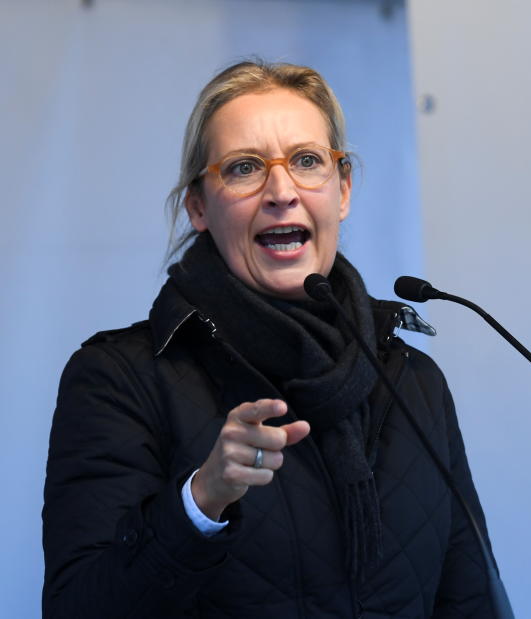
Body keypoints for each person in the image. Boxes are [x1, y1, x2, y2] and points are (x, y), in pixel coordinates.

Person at [43, 60, 501, 618]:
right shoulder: (120, 379)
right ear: (198, 208)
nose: (281, 190)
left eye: (308, 161)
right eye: (243, 168)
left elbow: (469, 599)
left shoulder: (413, 381)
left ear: (343, 189)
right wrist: (201, 500)